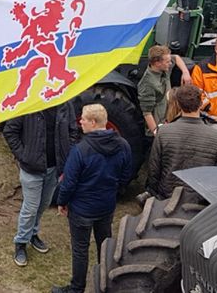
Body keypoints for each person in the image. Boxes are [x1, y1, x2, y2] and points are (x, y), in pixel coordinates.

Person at [53, 104, 131, 293]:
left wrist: (62, 202)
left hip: (81, 210)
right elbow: (126, 174)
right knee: (105, 244)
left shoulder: (80, 150)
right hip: (106, 206)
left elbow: (69, 183)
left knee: (80, 249)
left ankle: (77, 288)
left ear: (94, 123)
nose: (80, 121)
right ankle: (109, 283)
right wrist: (113, 190)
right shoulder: (123, 145)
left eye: (84, 119)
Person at [2, 102, 80, 267]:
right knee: (30, 208)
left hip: (54, 168)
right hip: (32, 169)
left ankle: (33, 234)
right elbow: (10, 131)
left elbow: (73, 130)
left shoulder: (65, 103)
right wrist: (24, 155)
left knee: (43, 204)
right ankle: (21, 243)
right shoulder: (27, 104)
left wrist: (68, 153)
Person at [145, 85, 217, 203]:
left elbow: (154, 169)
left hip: (167, 197)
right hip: (199, 199)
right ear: (200, 103)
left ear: (178, 103)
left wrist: (154, 194)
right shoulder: (216, 137)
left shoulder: (164, 132)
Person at [138, 45, 192, 135]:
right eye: (167, 62)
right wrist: (157, 134)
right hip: (159, 128)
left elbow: (176, 58)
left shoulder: (163, 68)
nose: (170, 63)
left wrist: (185, 72)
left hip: (169, 122)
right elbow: (147, 113)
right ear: (157, 63)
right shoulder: (147, 84)